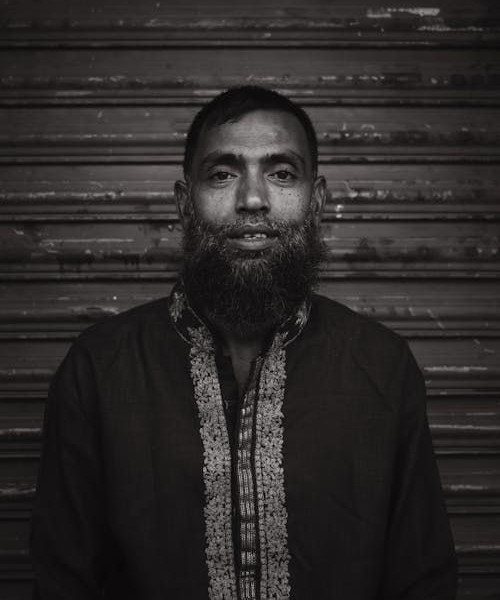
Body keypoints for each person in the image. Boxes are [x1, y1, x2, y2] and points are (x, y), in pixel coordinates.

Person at [30, 86, 458, 599]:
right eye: (223, 174)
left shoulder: (381, 366)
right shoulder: (99, 369)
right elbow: (63, 582)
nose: (252, 199)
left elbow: (422, 581)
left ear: (316, 201)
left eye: (281, 173)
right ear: (184, 203)